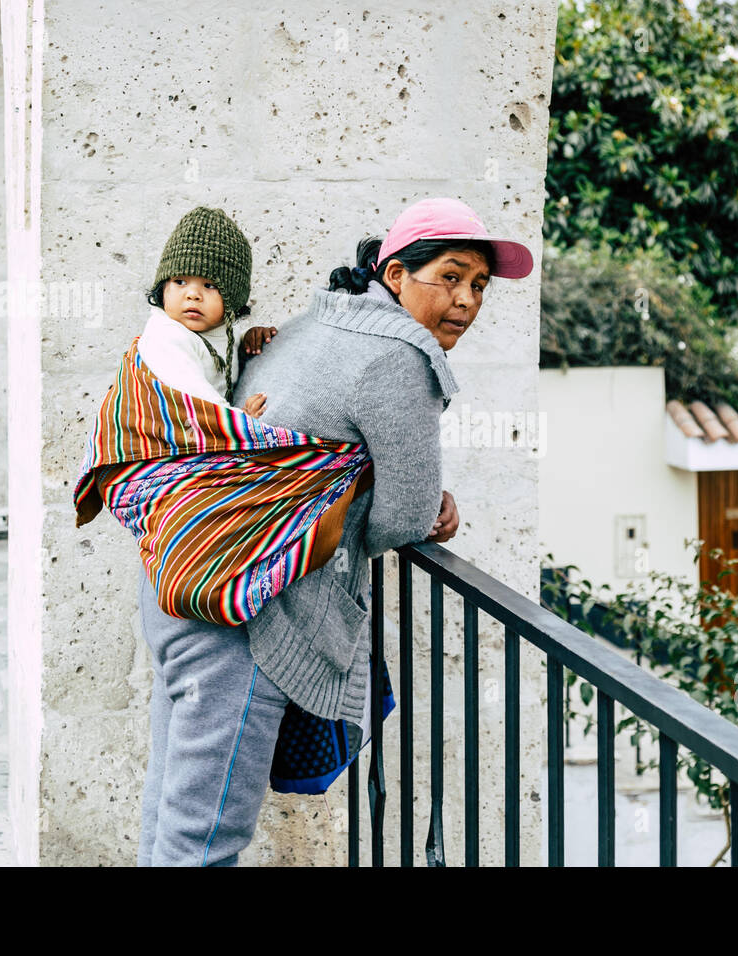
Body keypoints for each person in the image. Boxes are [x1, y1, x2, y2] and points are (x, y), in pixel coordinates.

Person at [135, 196, 534, 866]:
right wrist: (410, 503)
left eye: (479, 286)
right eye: (451, 276)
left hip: (182, 576)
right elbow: (408, 518)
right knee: (205, 838)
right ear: (398, 276)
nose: (465, 300)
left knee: (171, 811)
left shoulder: (318, 319)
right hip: (245, 616)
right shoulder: (400, 355)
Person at [135, 205, 277, 415]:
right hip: (158, 438)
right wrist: (241, 419)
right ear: (163, 287)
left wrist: (248, 342)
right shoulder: (165, 335)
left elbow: (226, 358)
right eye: (180, 281)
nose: (193, 294)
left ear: (232, 299)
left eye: (209, 286)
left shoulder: (221, 333)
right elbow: (196, 401)